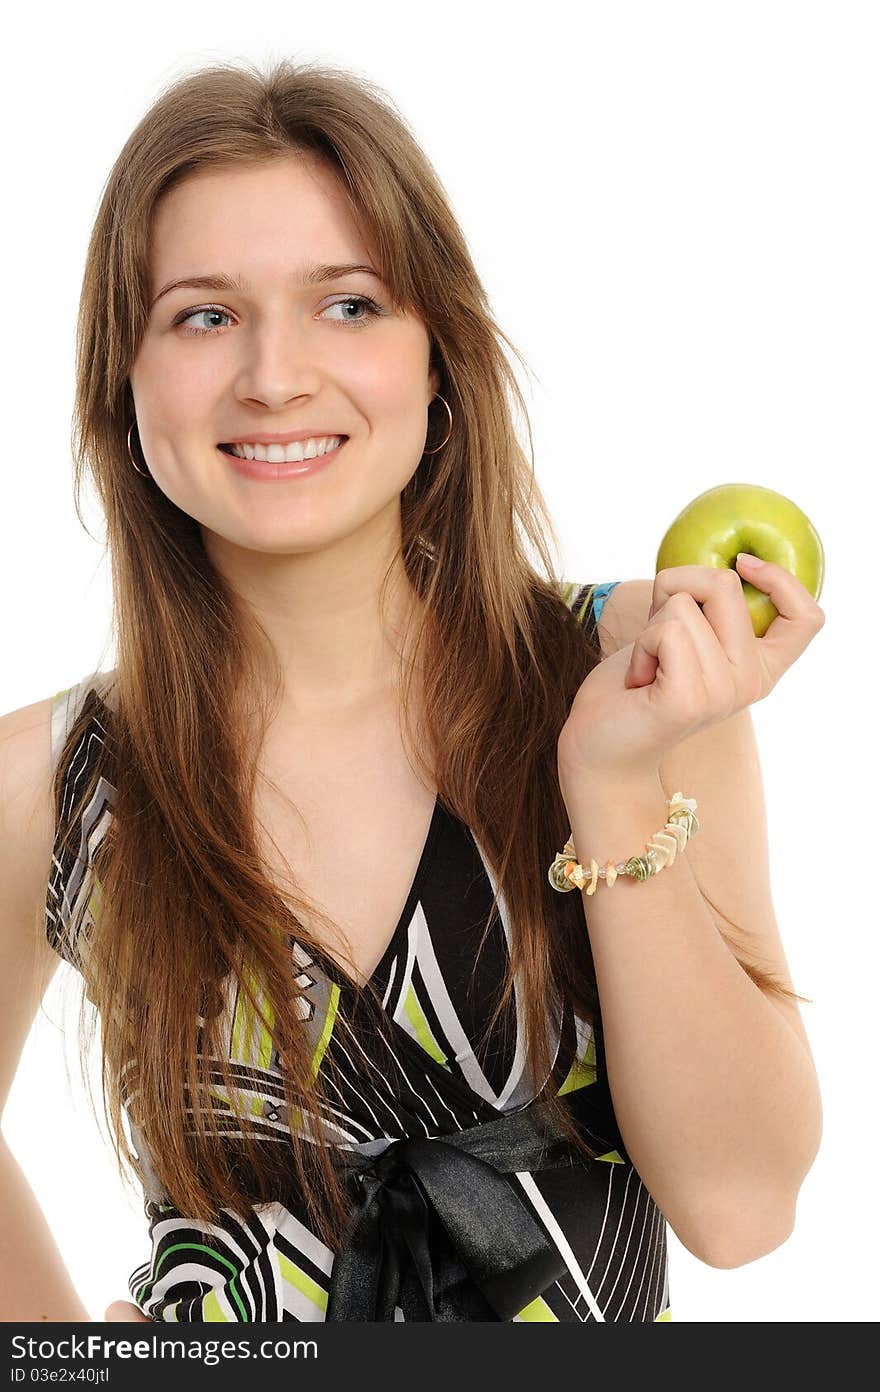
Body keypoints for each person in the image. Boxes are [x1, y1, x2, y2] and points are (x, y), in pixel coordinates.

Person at [0, 58, 822, 1324]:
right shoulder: (49, 784)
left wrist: (606, 784)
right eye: (204, 316)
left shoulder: (636, 676)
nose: (274, 377)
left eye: (347, 305)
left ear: (438, 356)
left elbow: (739, 1207)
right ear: (126, 375)